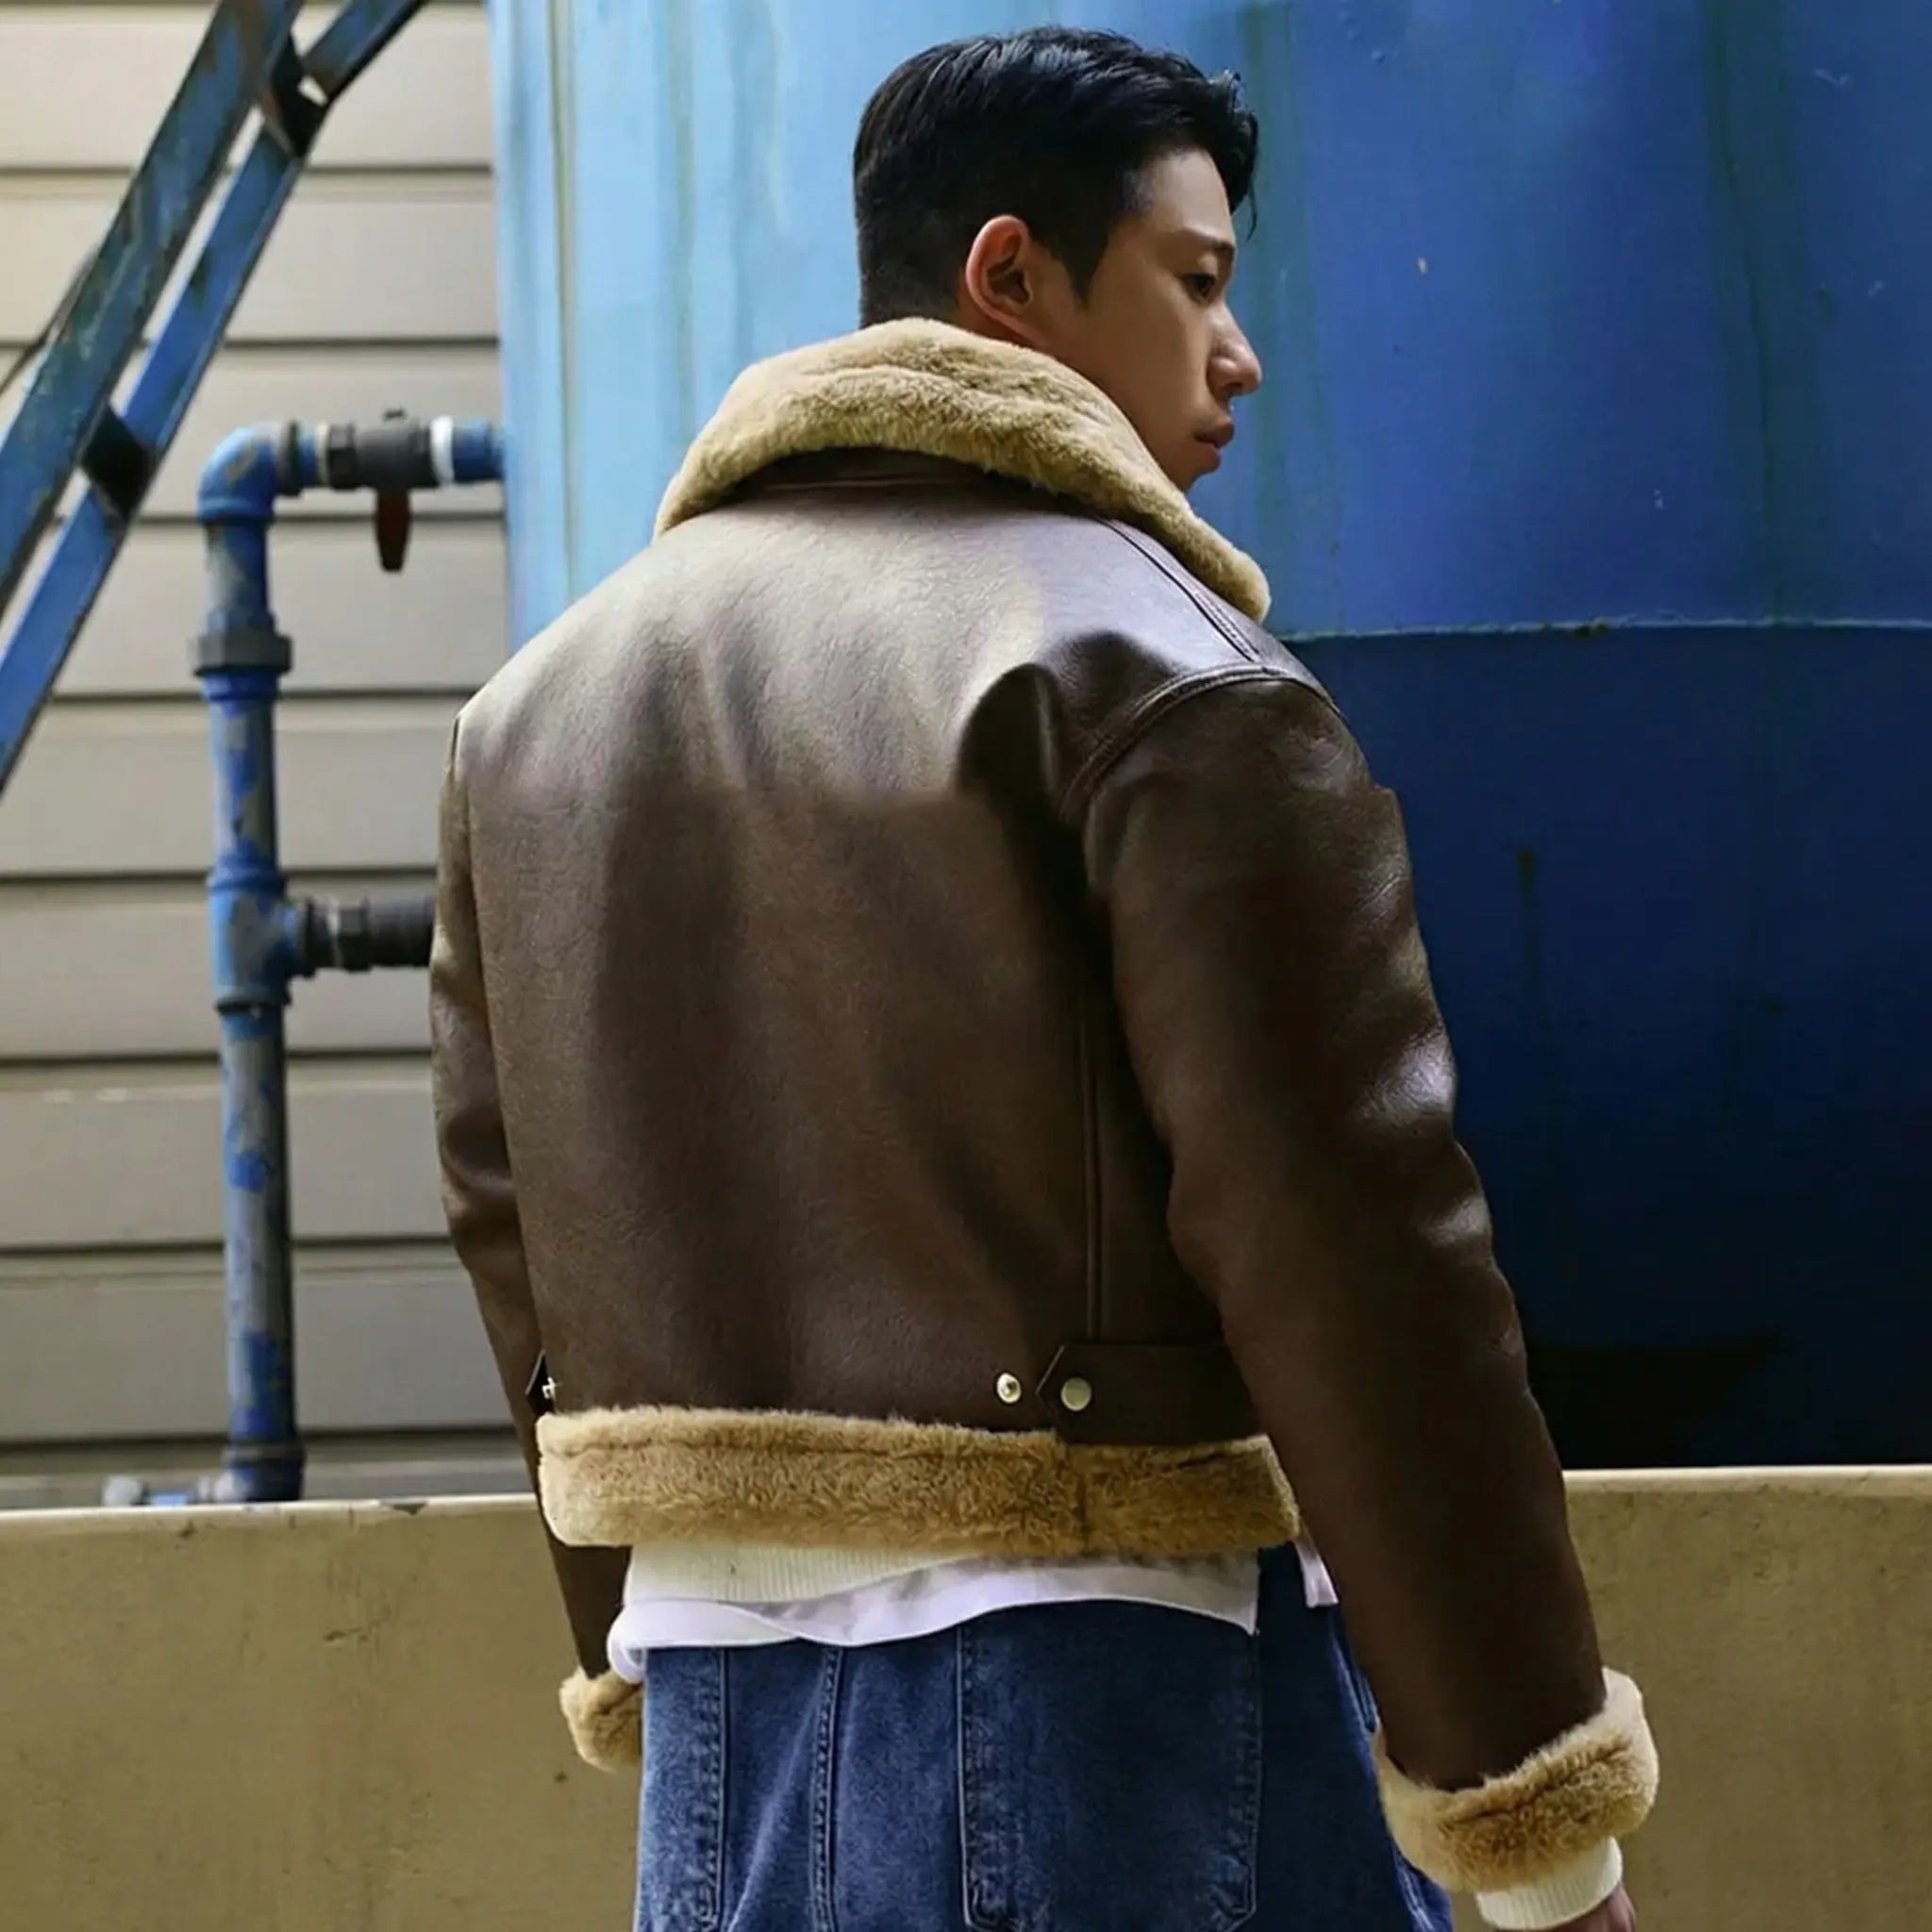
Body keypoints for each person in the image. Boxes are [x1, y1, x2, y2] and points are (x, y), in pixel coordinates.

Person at [430, 26, 1656, 1932]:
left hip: (722, 1734)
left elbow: (510, 1211)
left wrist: (634, 1617)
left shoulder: (539, 711)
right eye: (1195, 281)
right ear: (1012, 274)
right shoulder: (1164, 678)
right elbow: (1348, 1239)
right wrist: (1532, 1815)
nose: (1238, 354)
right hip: (1112, 1711)